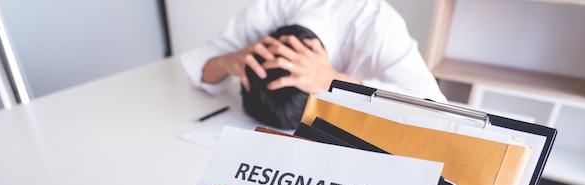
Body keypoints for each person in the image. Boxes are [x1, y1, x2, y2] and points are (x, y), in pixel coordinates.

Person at [181, 0, 446, 127]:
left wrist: (338, 82)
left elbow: (437, 109)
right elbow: (198, 67)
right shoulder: (266, 14)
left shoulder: (378, 28)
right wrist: (228, 61)